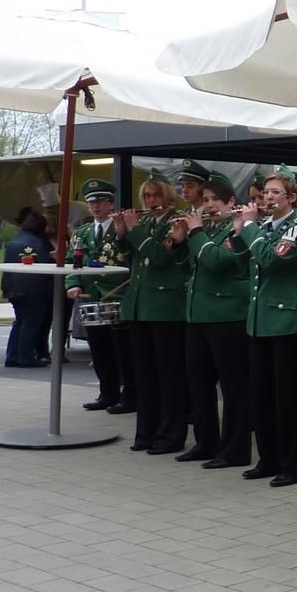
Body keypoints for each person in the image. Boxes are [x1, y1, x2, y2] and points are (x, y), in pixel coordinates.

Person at [235, 168, 297, 488]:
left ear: (292, 197)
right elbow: (243, 264)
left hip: (287, 320)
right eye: (265, 192)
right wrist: (239, 230)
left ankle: (294, 465)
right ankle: (268, 458)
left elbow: (274, 261)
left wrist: (249, 227)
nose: (267, 198)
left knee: (288, 398)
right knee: (262, 394)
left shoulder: (296, 225)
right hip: (260, 320)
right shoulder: (264, 226)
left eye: (275, 192)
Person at [172, 172, 252, 470]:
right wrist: (180, 241)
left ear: (231, 202)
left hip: (228, 316)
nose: (210, 205)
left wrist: (195, 234)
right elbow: (188, 269)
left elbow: (219, 262)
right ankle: (205, 442)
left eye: (216, 200)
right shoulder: (206, 229)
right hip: (198, 315)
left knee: (233, 388)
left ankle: (235, 450)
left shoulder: (238, 228)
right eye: (205, 200)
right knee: (199, 382)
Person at [116, 175, 188, 455]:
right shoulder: (145, 222)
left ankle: (171, 435)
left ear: (167, 196)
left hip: (165, 307)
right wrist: (122, 234)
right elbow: (129, 257)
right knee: (143, 375)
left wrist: (134, 231)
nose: (151, 201)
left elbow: (160, 258)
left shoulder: (175, 221)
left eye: (156, 195)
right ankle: (146, 432)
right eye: (147, 196)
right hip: (140, 306)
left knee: (168, 376)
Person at [65, 179, 133, 412]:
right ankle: (107, 393)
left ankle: (130, 395)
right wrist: (73, 283)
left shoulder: (122, 228)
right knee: (100, 350)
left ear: (111, 204)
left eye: (101, 201)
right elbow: (71, 262)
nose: (96, 206)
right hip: (91, 297)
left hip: (118, 295)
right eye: (92, 202)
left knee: (123, 351)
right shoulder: (82, 232)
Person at [1, 208, 53, 367]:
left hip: (12, 285)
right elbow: (45, 266)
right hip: (33, 288)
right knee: (32, 321)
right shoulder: (38, 243)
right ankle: (26, 356)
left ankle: (12, 356)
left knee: (20, 321)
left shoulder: (15, 241)